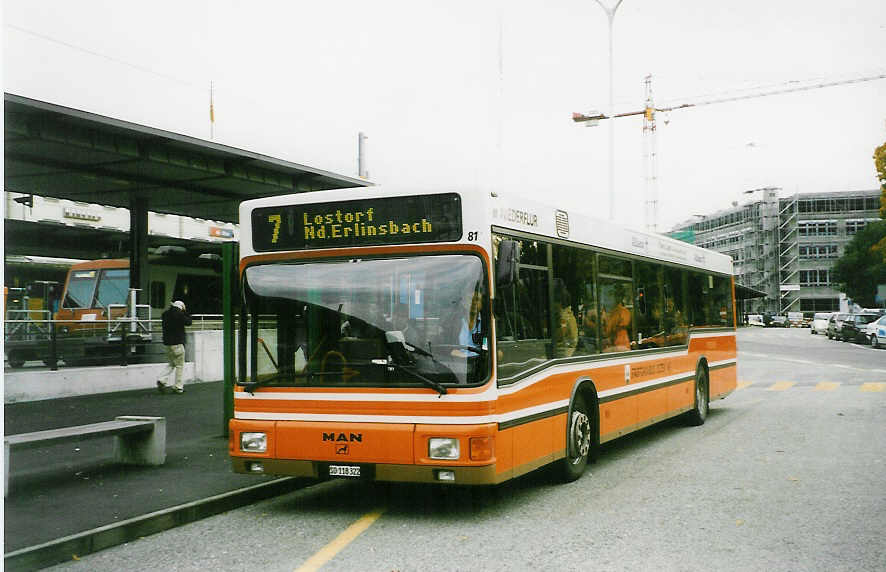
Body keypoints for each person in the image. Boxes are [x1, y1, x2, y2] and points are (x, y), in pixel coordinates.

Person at [157, 300, 192, 394]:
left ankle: (161, 380)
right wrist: (185, 312)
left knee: (172, 364)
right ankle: (178, 387)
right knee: (180, 365)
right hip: (178, 343)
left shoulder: (165, 314)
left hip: (168, 344)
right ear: (181, 307)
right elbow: (189, 322)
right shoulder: (180, 314)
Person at [552, 281, 578, 357]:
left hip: (564, 352)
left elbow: (562, 332)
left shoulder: (563, 316)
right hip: (568, 350)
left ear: (559, 302)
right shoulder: (568, 314)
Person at [604, 283, 631, 352]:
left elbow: (609, 330)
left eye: (611, 295)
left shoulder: (622, 312)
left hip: (620, 345)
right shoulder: (615, 311)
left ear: (619, 297)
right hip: (618, 345)